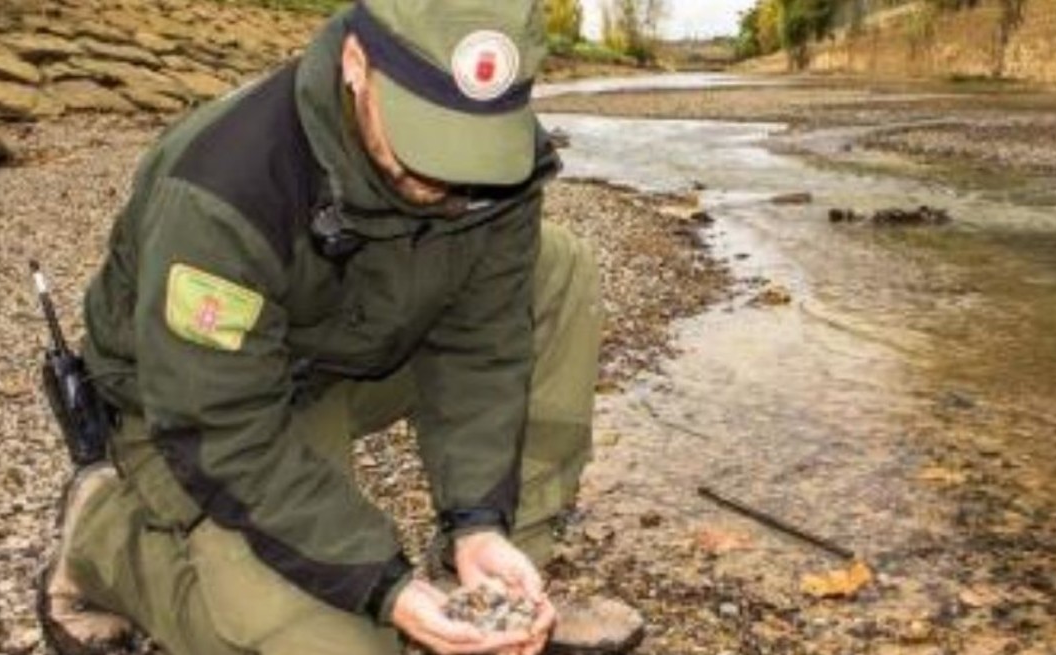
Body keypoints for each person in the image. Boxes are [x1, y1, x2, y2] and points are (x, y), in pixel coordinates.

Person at [35, 1, 643, 653]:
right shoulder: (222, 190)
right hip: (192, 411)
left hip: (346, 350)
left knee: (558, 269)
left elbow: (481, 344)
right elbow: (221, 426)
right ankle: (101, 535)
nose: (449, 177)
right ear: (357, 63)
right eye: (426, 137)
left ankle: (492, 583)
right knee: (344, 643)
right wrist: (383, 585)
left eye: (471, 144)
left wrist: (479, 522)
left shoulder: (501, 158)